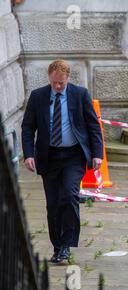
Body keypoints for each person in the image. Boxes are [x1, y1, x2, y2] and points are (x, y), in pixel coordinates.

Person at [21, 60, 103, 264]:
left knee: (69, 195)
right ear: (49, 77)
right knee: (53, 204)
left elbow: (93, 125)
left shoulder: (79, 94)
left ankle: (67, 243)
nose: (58, 86)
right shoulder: (38, 96)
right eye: (55, 83)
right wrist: (29, 154)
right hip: (48, 156)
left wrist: (97, 154)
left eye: (61, 83)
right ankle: (57, 246)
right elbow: (28, 127)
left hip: (73, 156)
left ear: (68, 79)